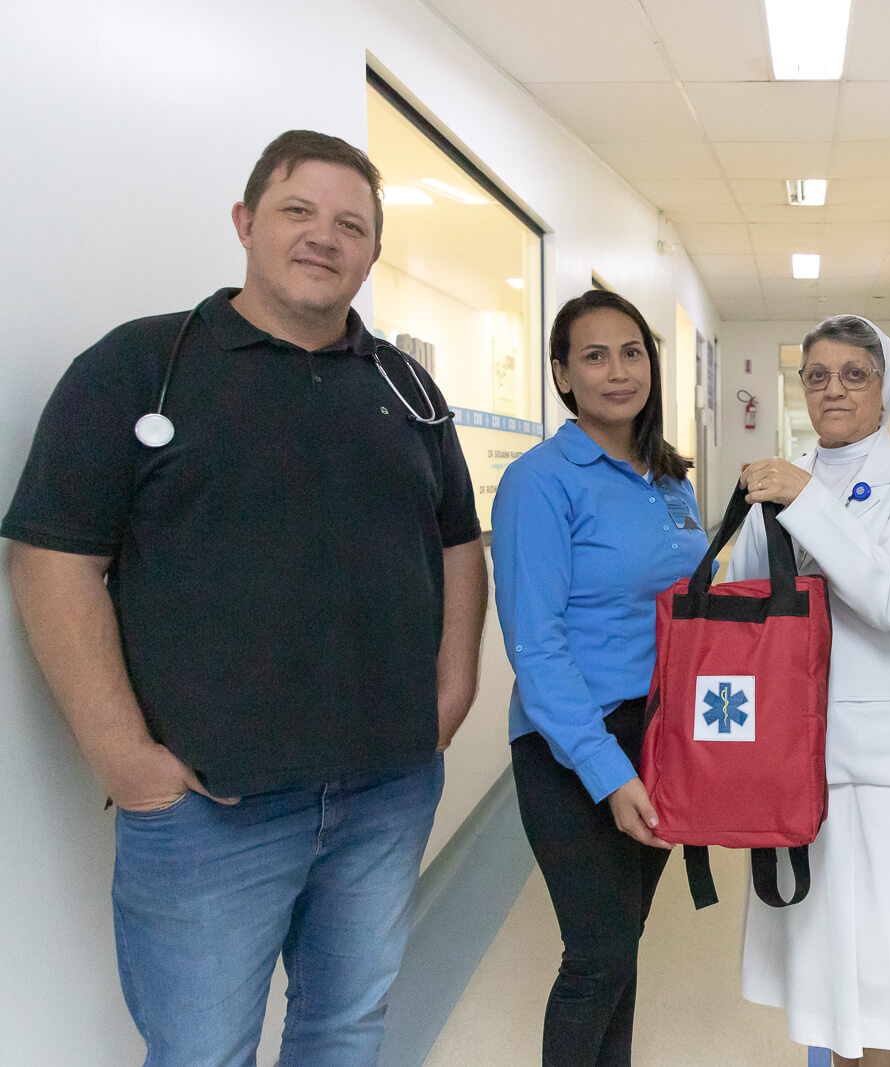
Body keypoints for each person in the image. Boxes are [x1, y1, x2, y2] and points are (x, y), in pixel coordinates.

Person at [3, 130, 488, 1065]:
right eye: (298, 212)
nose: (324, 237)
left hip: (387, 790)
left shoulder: (406, 387)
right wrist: (125, 760)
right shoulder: (142, 366)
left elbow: (458, 541)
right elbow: (51, 559)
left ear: (373, 253)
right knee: (200, 1053)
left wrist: (453, 688)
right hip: (208, 811)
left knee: (343, 1029)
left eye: (351, 224)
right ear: (245, 222)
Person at [734, 315, 890, 1066]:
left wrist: (806, 499)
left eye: (853, 374)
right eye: (817, 375)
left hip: (879, 766)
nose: (833, 388)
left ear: (883, 387)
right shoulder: (776, 475)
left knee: (878, 975)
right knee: (823, 972)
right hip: (792, 753)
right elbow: (742, 595)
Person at [491, 289, 709, 1067]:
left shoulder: (669, 479)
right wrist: (609, 773)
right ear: (561, 374)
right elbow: (537, 648)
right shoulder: (540, 481)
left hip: (659, 735)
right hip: (573, 740)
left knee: (624, 943)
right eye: (594, 355)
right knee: (597, 955)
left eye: (632, 352)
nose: (617, 371)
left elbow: (696, 607)